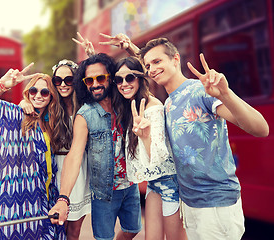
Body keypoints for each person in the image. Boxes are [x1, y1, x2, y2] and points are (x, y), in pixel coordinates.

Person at [138, 38, 269, 239]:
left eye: (157, 62)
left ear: (175, 59)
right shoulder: (168, 104)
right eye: (148, 66)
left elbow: (261, 129)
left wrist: (225, 93)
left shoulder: (200, 91)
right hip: (190, 204)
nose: (151, 69)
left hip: (216, 204)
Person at [49, 53, 142, 240]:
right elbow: (74, 155)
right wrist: (63, 198)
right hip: (103, 192)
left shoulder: (125, 102)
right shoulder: (85, 114)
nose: (95, 84)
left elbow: (142, 78)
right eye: (89, 80)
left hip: (131, 185)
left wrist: (130, 49)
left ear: (111, 78)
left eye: (100, 78)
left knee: (133, 230)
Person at [0, 64, 66, 240]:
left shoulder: (51, 125)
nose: (38, 96)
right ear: (28, 93)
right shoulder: (13, 114)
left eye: (45, 92)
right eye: (33, 91)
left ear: (51, 97)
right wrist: (3, 85)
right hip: (11, 205)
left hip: (44, 200)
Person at [112, 56, 186, 240]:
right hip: (154, 183)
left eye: (129, 78)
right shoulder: (131, 106)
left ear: (140, 79)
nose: (124, 84)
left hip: (171, 183)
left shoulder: (152, 107)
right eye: (118, 80)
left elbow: (159, 154)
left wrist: (145, 136)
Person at [20, 59, 91, 240]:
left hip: (78, 167)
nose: (63, 84)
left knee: (74, 230)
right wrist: (23, 102)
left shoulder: (84, 106)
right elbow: (33, 103)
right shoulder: (51, 105)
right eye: (58, 80)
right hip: (54, 168)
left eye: (68, 80)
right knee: (57, 227)